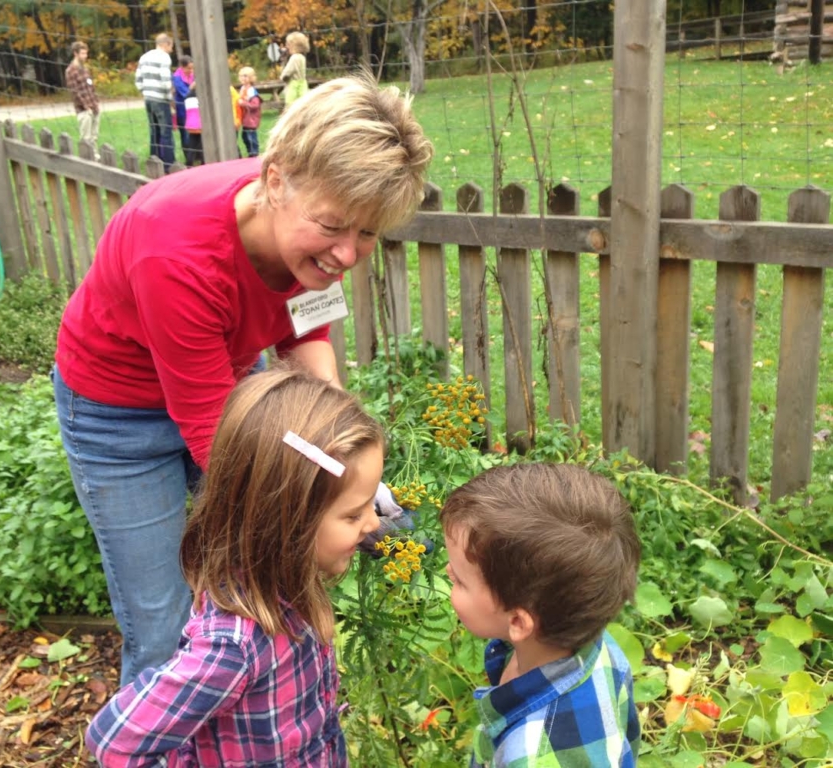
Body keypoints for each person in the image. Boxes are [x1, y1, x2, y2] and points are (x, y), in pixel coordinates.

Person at [52, 73, 433, 688]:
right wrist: (322, 505)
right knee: (162, 617)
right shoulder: (176, 252)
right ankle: (151, 738)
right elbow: (213, 434)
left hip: (228, 384)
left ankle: (250, 717)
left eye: (367, 233)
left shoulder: (311, 227)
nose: (346, 253)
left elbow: (306, 336)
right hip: (117, 414)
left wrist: (348, 464)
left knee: (255, 571)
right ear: (275, 180)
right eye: (335, 226)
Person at [85, 367, 382, 766]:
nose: (374, 523)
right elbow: (115, 741)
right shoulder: (232, 648)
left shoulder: (290, 581)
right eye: (353, 514)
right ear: (287, 521)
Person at [439, 463, 642, 767]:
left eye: (460, 581)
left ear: (519, 622)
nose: (448, 571)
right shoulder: (602, 648)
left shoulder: (531, 754)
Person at [135, 33, 175, 167]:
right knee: (166, 132)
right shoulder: (164, 57)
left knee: (154, 130)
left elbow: (138, 80)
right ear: (166, 44)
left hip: (148, 98)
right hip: (160, 99)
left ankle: (154, 160)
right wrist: (170, 98)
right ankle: (169, 163)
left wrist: (145, 92)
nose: (172, 49)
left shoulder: (144, 57)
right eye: (171, 46)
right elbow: (165, 80)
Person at [64, 41, 100, 161]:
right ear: (75, 53)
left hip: (94, 106)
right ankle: (86, 158)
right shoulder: (70, 71)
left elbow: (91, 87)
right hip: (83, 109)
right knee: (86, 137)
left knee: (94, 136)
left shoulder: (85, 68)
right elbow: (75, 92)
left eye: (86, 53)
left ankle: (95, 157)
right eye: (83, 53)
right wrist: (86, 107)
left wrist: (95, 103)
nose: (85, 56)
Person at [172, 55, 195, 165]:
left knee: (196, 133)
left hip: (194, 109)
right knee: (185, 134)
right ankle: (189, 159)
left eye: (192, 68)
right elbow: (185, 93)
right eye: (188, 68)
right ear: (182, 67)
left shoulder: (193, 75)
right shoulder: (177, 78)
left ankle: (197, 155)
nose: (191, 71)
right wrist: (193, 88)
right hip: (182, 110)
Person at [280, 31, 310, 109]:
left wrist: (282, 77)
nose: (287, 46)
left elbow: (288, 71)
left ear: (294, 45)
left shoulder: (294, 57)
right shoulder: (302, 57)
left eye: (288, 44)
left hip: (293, 85)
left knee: (290, 106)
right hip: (303, 83)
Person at [238, 66, 262, 157]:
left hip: (251, 119)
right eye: (241, 76)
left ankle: (254, 154)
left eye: (245, 76)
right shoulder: (242, 89)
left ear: (251, 78)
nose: (243, 78)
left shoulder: (252, 91)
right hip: (245, 119)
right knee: (245, 137)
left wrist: (243, 103)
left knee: (251, 138)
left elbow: (255, 105)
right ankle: (250, 152)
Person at [182, 84, 203, 167]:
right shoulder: (200, 97)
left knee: (192, 143)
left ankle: (189, 161)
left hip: (190, 123)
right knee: (202, 143)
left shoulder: (187, 97)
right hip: (200, 122)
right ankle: (203, 160)